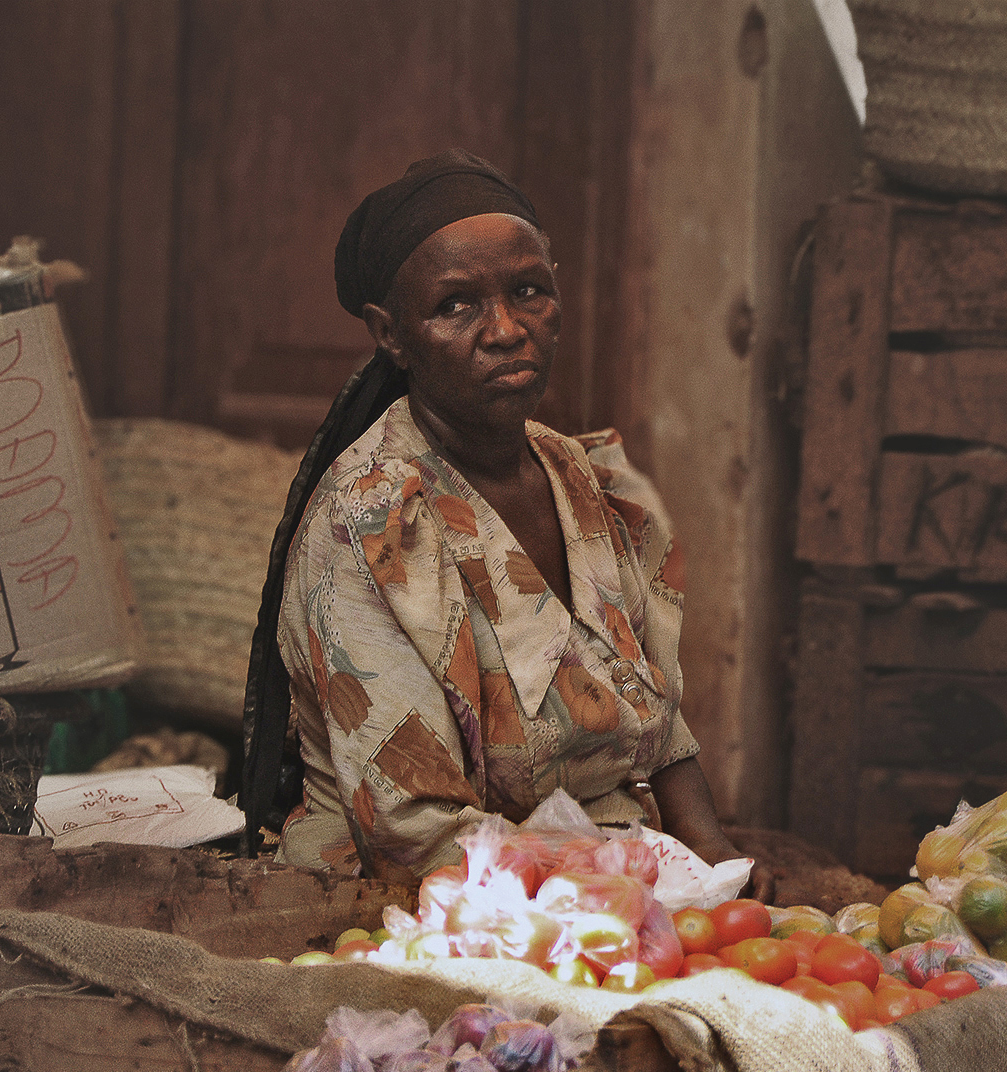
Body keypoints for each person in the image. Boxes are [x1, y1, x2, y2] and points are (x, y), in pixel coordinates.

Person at [242, 150, 768, 897]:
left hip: (613, 880)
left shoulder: (581, 476)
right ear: (390, 334)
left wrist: (716, 861)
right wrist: (644, 888)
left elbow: (655, 719)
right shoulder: (370, 527)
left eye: (529, 291)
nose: (506, 329)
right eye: (456, 305)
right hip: (423, 898)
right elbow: (412, 827)